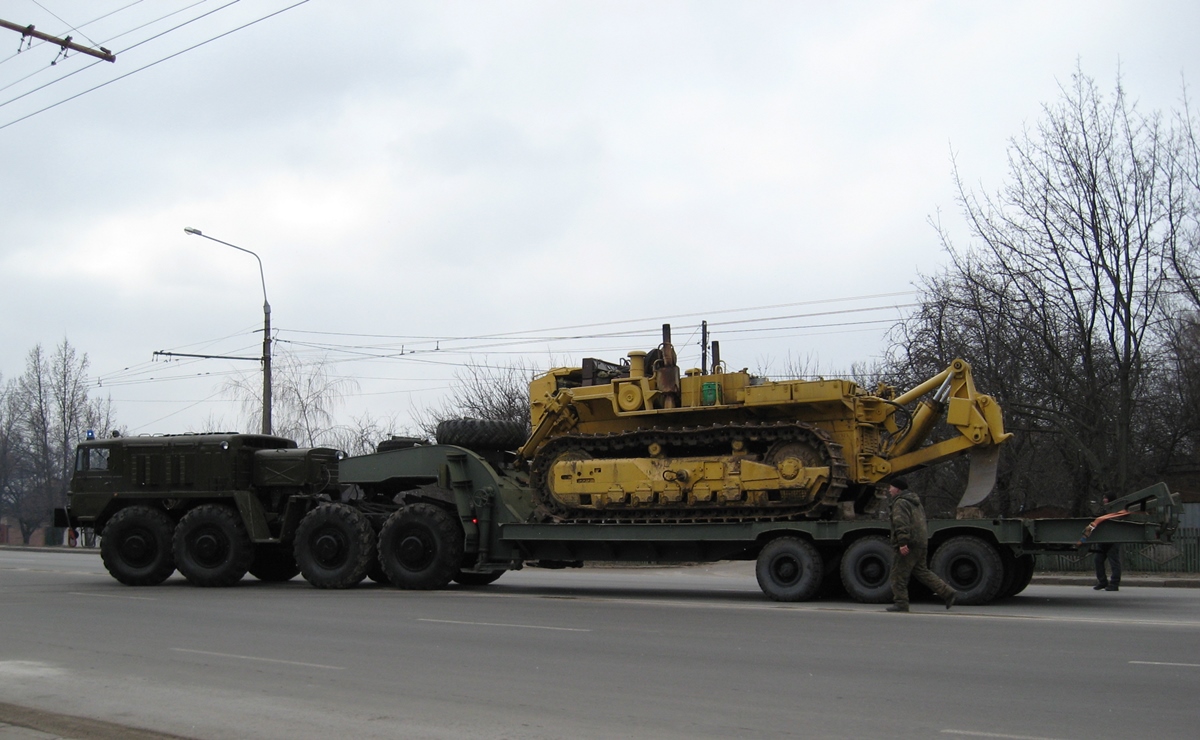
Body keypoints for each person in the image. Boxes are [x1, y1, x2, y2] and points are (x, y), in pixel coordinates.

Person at [886, 477, 958, 612]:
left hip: (909, 543)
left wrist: (902, 543)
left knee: (898, 574)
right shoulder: (915, 502)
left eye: (891, 487)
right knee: (922, 571)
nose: (889, 490)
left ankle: (901, 603)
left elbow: (901, 523)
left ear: (897, 488)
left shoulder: (900, 503)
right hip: (921, 542)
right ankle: (947, 592)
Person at [1093, 498, 1122, 591]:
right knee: (1098, 560)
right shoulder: (1104, 509)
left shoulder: (1116, 510)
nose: (1104, 500)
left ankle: (1114, 583)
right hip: (1104, 539)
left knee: (1114, 562)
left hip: (1113, 539)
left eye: (1106, 498)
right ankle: (1102, 581)